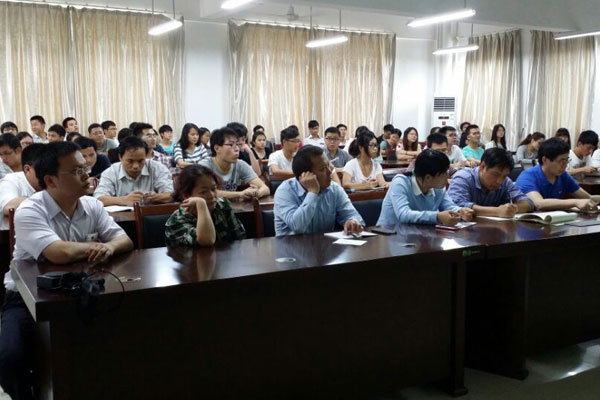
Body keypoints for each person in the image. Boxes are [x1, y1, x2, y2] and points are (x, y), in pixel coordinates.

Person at [0, 141, 133, 400]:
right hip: (27, 298)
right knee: (9, 357)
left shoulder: (92, 205)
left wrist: (109, 247)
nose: (86, 175)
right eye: (76, 171)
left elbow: (123, 240)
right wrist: (97, 247)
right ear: (50, 180)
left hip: (83, 289)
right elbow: (57, 252)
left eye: (85, 168)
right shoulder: (29, 210)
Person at [274, 145, 364, 236]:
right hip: (290, 244)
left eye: (328, 165)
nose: (329, 172)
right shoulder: (285, 191)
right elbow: (297, 227)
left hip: (324, 244)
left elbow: (355, 217)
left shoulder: (334, 189)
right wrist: (313, 192)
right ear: (306, 175)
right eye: (323, 169)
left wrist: (352, 221)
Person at [376, 149, 474, 226]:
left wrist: (460, 211)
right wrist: (437, 216)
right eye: (444, 174)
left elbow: (449, 206)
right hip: (389, 235)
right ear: (428, 177)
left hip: (418, 235)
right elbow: (404, 214)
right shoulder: (400, 182)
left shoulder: (438, 187)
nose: (447, 177)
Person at [165, 165, 246, 246]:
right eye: (203, 192)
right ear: (187, 195)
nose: (211, 195)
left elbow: (240, 237)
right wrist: (201, 204)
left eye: (213, 189)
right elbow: (207, 240)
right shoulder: (177, 220)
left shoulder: (222, 205)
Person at [515, 138, 600, 211]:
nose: (565, 165)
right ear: (545, 160)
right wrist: (575, 202)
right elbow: (539, 203)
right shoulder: (527, 176)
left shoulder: (563, 176)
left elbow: (588, 197)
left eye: (567, 160)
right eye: (561, 161)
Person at [448, 148, 534, 217]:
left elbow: (527, 202)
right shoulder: (463, 177)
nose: (499, 181)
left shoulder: (505, 181)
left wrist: (512, 209)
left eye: (504, 176)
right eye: (495, 175)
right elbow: (456, 206)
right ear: (482, 166)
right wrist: (497, 211)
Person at [94, 136, 174, 206]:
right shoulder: (111, 172)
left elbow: (171, 195)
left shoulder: (157, 168)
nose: (136, 166)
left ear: (146, 156)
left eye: (141, 161)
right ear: (120, 157)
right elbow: (99, 198)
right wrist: (123, 200)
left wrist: (155, 197)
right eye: (130, 161)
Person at [199, 127, 270, 200]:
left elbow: (265, 188)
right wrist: (240, 194)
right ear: (217, 148)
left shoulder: (240, 164)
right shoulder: (204, 166)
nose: (237, 149)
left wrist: (255, 193)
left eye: (237, 144)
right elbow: (206, 193)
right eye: (231, 145)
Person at [0, 143, 44, 229]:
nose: (50, 175)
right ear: (28, 169)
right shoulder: (11, 180)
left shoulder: (55, 180)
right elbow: (9, 207)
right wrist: (49, 200)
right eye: (45, 170)